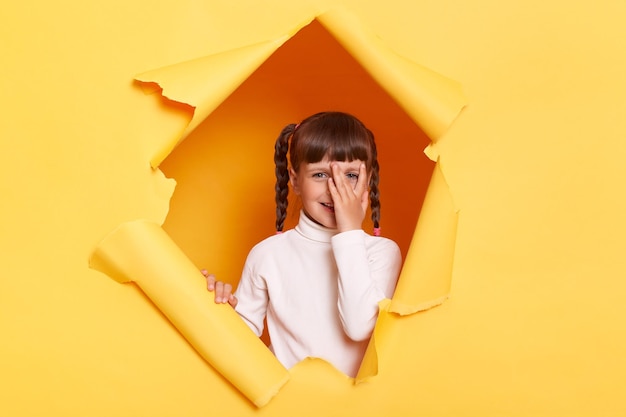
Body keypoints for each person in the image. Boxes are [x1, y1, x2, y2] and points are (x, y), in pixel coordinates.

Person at [202, 111, 401, 377]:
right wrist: (218, 309)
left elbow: (358, 326)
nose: (335, 188)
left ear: (368, 180)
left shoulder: (382, 252)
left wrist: (350, 231)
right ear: (295, 180)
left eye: (350, 175)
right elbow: (239, 343)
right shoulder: (267, 254)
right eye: (320, 175)